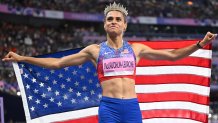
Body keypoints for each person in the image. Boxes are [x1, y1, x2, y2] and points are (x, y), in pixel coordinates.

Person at [2, 2, 217, 123]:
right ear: (105, 25)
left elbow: (173, 56)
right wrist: (22, 58)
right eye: (109, 19)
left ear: (124, 26)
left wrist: (200, 44)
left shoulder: (136, 49)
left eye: (117, 19)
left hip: (132, 107)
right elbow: (57, 64)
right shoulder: (94, 50)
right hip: (109, 108)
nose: (113, 22)